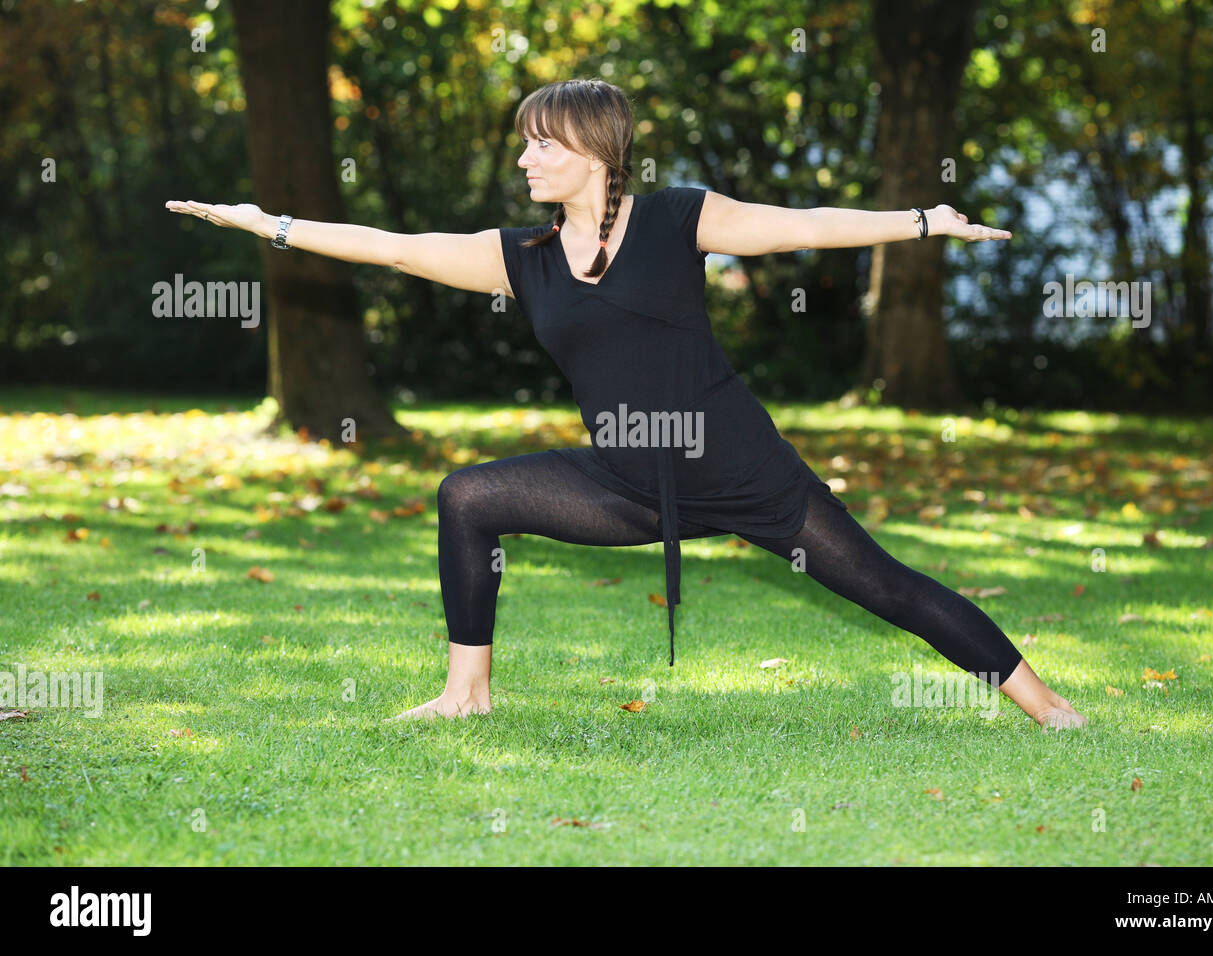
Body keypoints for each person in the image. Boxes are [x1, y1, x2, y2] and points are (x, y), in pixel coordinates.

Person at [166, 78, 1086, 732]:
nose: (525, 156)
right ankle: (467, 692)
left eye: (542, 141)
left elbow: (803, 226)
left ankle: (1049, 707)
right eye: (524, 140)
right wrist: (272, 225)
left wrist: (924, 221)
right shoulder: (520, 258)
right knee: (468, 496)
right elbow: (397, 247)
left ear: (594, 152)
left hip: (740, 469)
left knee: (884, 584)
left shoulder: (680, 219)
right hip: (625, 480)